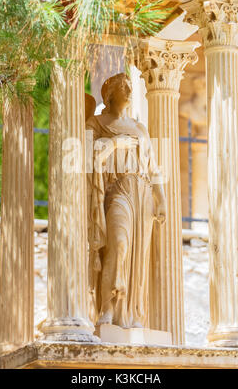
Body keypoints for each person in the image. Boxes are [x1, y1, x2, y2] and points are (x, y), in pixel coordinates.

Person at [86, 72, 166, 329]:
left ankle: (131, 314)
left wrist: (161, 198)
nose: (130, 90)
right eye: (124, 86)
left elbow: (153, 168)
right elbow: (87, 157)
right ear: (109, 94)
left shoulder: (140, 128)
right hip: (116, 190)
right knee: (118, 245)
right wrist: (115, 144)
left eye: (131, 86)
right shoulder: (95, 124)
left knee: (138, 255)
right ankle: (107, 308)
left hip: (142, 191)